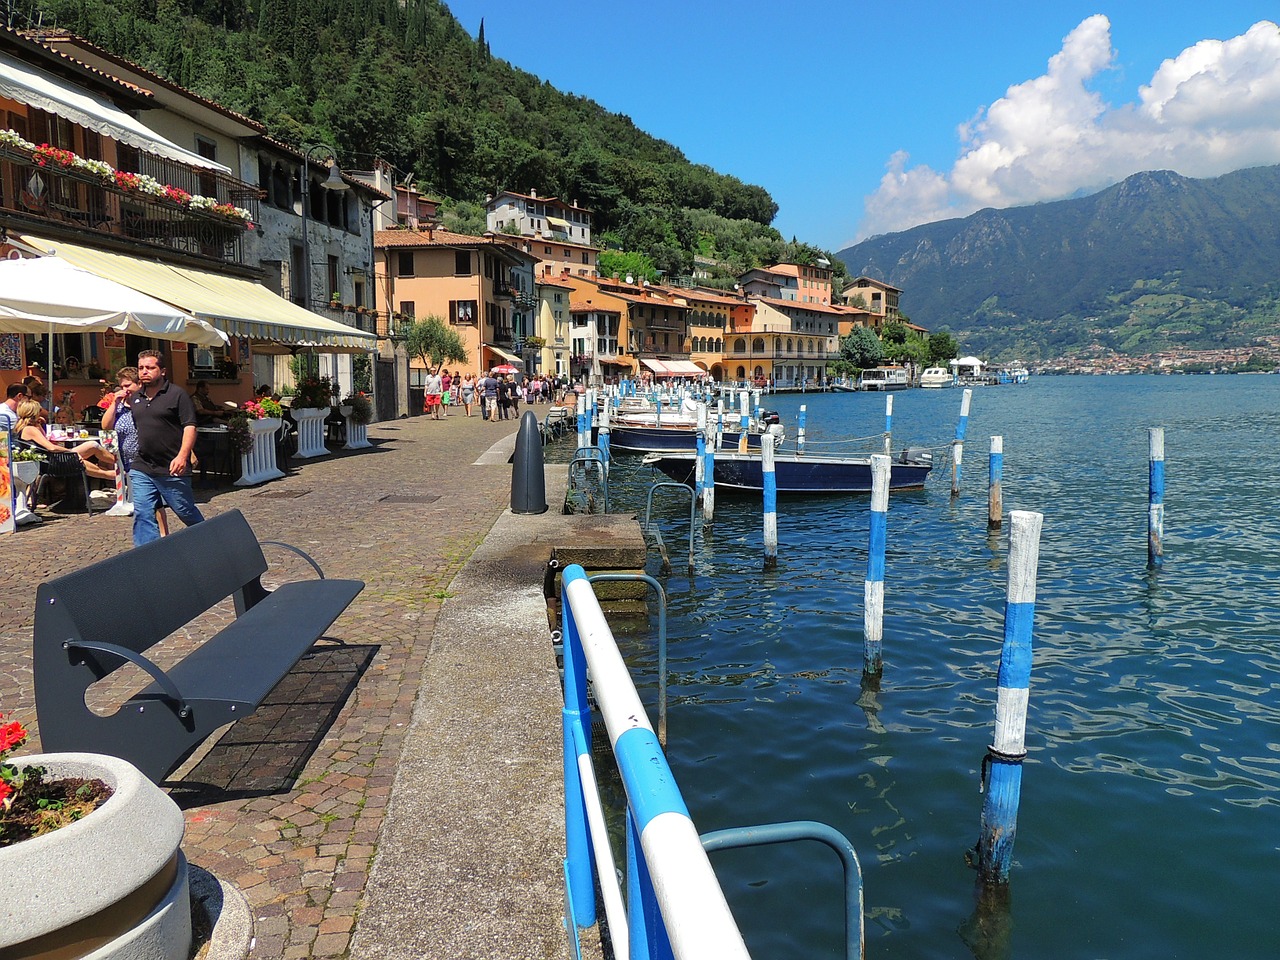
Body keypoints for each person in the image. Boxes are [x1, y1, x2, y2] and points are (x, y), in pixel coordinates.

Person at [128, 349, 203, 546]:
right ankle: (148, 555)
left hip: (171, 467)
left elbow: (190, 426)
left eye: (150, 368)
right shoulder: (135, 398)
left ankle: (208, 539)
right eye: (141, 368)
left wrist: (183, 456)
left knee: (184, 510)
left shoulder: (177, 395)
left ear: (162, 371)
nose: (144, 372)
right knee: (143, 511)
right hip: (143, 466)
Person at [101, 367, 168, 532]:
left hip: (149, 458)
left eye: (128, 385)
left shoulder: (147, 403)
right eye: (122, 386)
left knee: (152, 500)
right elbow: (106, 427)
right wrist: (114, 403)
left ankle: (162, 533)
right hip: (129, 461)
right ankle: (153, 535)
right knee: (145, 502)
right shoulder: (119, 407)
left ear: (139, 384)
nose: (125, 390)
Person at [13, 399, 117, 480]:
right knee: (92, 447)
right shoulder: (30, 429)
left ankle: (117, 470)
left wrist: (39, 424)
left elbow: (45, 441)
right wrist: (70, 452)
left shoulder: (27, 428)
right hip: (51, 463)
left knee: (92, 448)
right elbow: (51, 448)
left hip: (49, 460)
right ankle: (119, 467)